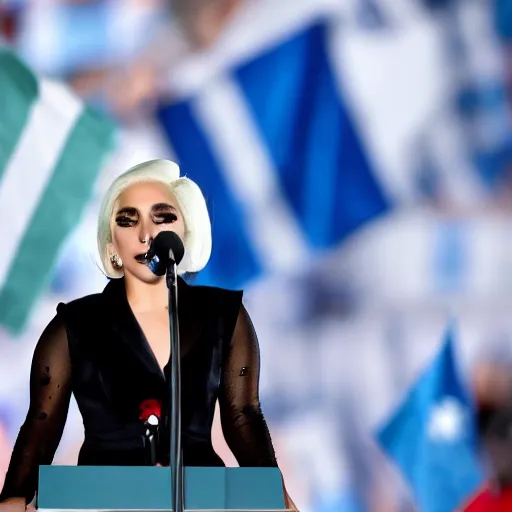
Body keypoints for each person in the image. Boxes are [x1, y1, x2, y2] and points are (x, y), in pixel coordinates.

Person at [0, 159, 298, 511]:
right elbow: (43, 421)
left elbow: (243, 413)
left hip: (199, 492)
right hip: (96, 494)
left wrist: (273, 491)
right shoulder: (74, 323)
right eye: (128, 220)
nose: (146, 234)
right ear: (111, 244)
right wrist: (14, 495)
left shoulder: (223, 315)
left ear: (185, 232)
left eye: (163, 217)